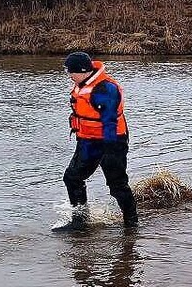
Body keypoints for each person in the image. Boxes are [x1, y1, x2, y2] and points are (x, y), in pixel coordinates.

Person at [55, 52, 138, 232]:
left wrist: (108, 153)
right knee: (72, 178)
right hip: (88, 140)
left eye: (71, 72)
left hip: (112, 142)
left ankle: (131, 224)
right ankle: (80, 222)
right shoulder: (82, 84)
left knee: (117, 185)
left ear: (83, 71)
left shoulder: (105, 89)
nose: (69, 76)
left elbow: (109, 123)